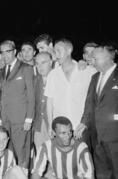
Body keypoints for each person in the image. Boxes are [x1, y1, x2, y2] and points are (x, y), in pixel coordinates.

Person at [76, 44, 118, 179]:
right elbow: (89, 104)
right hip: (97, 136)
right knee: (102, 173)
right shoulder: (95, 77)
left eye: (95, 58)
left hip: (115, 136)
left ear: (108, 58)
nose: (91, 61)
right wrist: (84, 123)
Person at [0, 40, 35, 171]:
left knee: (22, 154)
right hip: (5, 120)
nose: (4, 55)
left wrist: (29, 118)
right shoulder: (0, 72)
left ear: (14, 52)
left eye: (8, 52)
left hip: (21, 120)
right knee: (8, 154)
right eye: (2, 52)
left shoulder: (26, 68)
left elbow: (31, 96)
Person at [45, 39, 95, 137]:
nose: (56, 54)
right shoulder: (53, 74)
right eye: (55, 52)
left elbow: (93, 100)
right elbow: (49, 102)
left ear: (69, 50)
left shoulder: (88, 72)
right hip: (59, 128)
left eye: (59, 51)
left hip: (80, 128)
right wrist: (51, 125)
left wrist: (86, 123)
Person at [33, 52, 53, 151]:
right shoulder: (34, 80)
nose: (40, 66)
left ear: (51, 62)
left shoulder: (58, 78)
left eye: (43, 62)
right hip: (38, 125)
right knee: (40, 155)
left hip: (54, 124)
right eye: (37, 63)